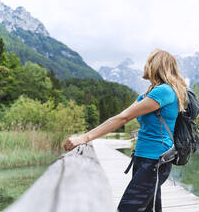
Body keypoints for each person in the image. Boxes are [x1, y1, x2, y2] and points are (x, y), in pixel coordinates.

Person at [63, 48, 188, 212]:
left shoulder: (164, 91)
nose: (145, 66)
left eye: (148, 62)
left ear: (155, 66)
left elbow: (123, 118)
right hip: (143, 158)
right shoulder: (149, 93)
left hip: (155, 161)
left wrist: (84, 138)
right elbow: (124, 116)